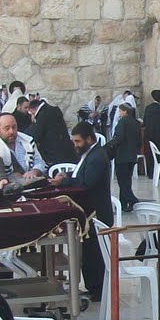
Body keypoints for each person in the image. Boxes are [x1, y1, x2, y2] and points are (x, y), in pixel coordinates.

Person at [52, 122, 112, 302]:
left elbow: (86, 183)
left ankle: (98, 290)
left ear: (89, 139)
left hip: (97, 213)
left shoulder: (97, 157)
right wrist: (68, 178)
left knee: (94, 254)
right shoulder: (89, 155)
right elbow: (81, 178)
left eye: (78, 141)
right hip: (89, 213)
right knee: (88, 252)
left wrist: (64, 183)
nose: (75, 145)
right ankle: (92, 287)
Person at [0, 112, 43, 192]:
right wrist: (1, 179)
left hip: (31, 188)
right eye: (7, 128)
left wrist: (35, 171)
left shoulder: (27, 141)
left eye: (14, 127)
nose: (11, 131)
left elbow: (40, 162)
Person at [108, 99, 142, 209]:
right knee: (127, 180)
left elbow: (119, 137)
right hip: (132, 156)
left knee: (122, 181)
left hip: (122, 156)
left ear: (125, 112)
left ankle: (133, 200)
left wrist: (109, 147)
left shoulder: (123, 122)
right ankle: (123, 204)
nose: (119, 113)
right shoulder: (136, 123)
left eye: (120, 111)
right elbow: (139, 141)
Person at [29, 94, 73, 167]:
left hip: (55, 153)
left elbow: (36, 135)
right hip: (66, 148)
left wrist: (33, 123)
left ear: (33, 109)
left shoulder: (42, 115)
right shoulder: (54, 109)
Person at [141, 89, 160, 154]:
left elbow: (145, 122)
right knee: (158, 153)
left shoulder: (148, 108)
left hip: (149, 135)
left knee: (150, 153)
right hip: (159, 136)